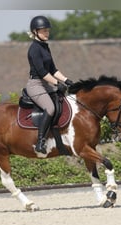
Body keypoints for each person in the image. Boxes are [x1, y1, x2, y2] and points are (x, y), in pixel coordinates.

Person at [26, 15, 73, 154]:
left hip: (46, 83)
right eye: (44, 31)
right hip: (35, 85)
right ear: (35, 32)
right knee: (50, 108)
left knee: (64, 102)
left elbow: (52, 69)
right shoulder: (34, 49)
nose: (47, 33)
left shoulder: (45, 47)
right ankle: (40, 142)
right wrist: (57, 84)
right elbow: (41, 72)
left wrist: (66, 80)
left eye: (47, 30)